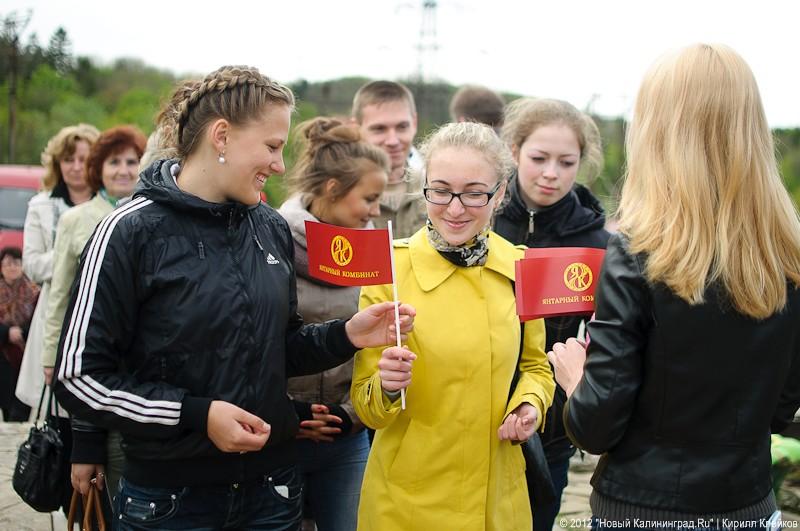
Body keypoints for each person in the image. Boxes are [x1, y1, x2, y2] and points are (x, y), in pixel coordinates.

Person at [53, 65, 414, 531]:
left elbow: (277, 348)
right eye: (271, 147)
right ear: (221, 136)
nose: (280, 166)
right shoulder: (128, 230)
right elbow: (79, 377)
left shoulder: (268, 227)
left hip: (273, 494)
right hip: (169, 503)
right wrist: (197, 415)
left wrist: (346, 335)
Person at [546, 44, 800, 528]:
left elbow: (598, 426)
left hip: (642, 509)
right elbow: (782, 405)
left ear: (659, 131)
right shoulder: (788, 251)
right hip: (749, 506)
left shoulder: (638, 253)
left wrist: (576, 378)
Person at [351, 122, 555, 530]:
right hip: (406, 504)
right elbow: (367, 407)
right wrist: (388, 385)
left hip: (497, 503)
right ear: (423, 186)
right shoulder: (389, 270)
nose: (455, 208)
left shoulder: (521, 267)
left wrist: (530, 405)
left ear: (499, 194)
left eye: (474, 193)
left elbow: (536, 368)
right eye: (440, 191)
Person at [494, 97, 609, 529]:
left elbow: (608, 335)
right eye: (538, 158)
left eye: (566, 162)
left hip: (552, 425)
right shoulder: (479, 219)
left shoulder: (596, 241)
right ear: (513, 151)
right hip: (477, 408)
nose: (550, 174)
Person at [278, 116, 390, 531]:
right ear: (331, 189)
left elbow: (383, 346)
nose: (377, 211)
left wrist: (351, 415)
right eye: (370, 198)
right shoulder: (270, 239)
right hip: (279, 433)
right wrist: (289, 414)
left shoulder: (377, 251)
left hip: (348, 436)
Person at [42, 125, 146, 516]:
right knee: (90, 463)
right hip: (86, 353)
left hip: (131, 369)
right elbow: (60, 296)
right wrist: (52, 356)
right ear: (98, 169)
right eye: (113, 162)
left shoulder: (149, 215)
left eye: (130, 161)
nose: (122, 170)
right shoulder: (77, 218)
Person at [15, 123, 100, 412]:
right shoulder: (41, 206)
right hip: (56, 309)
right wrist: (72, 254)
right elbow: (33, 264)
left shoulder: (111, 203)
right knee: (56, 409)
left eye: (83, 159)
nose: (76, 167)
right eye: (68, 159)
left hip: (100, 312)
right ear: (57, 163)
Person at [351, 80, 427, 238]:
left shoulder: (435, 190)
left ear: (414, 123)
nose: (393, 140)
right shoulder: (339, 196)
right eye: (379, 129)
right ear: (356, 129)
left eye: (402, 127)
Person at [0, 247, 39, 421]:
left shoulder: (34, 291)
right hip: (3, 355)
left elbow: (41, 319)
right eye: (7, 264)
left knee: (23, 407)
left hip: (28, 353)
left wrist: (22, 332)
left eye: (16, 263)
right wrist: (7, 332)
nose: (12, 267)